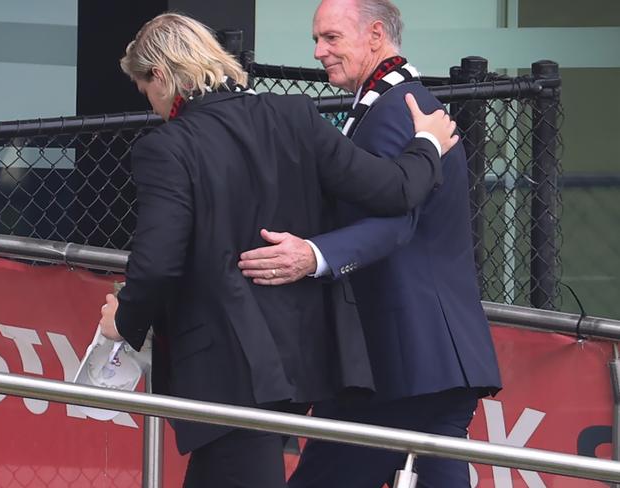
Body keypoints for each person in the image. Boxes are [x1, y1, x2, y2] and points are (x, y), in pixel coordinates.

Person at [97, 12, 459, 488]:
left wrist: (123, 320)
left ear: (161, 76)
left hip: (225, 367)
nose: (151, 104)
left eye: (145, 89)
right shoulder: (294, 115)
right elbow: (393, 190)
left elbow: (159, 261)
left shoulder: (166, 147)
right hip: (302, 354)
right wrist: (427, 144)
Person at [237, 1, 502, 487]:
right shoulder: (403, 104)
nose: (318, 51)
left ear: (376, 35)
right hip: (424, 360)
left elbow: (393, 221)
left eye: (331, 38)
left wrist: (311, 256)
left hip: (397, 361)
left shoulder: (393, 112)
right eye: (317, 39)